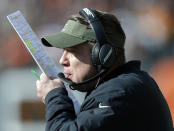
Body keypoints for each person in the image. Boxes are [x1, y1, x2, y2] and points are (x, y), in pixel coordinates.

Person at [36, 8, 173, 131]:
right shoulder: (121, 86)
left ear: (102, 55)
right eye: (63, 51)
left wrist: (54, 96)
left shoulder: (118, 93)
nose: (62, 60)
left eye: (73, 51)